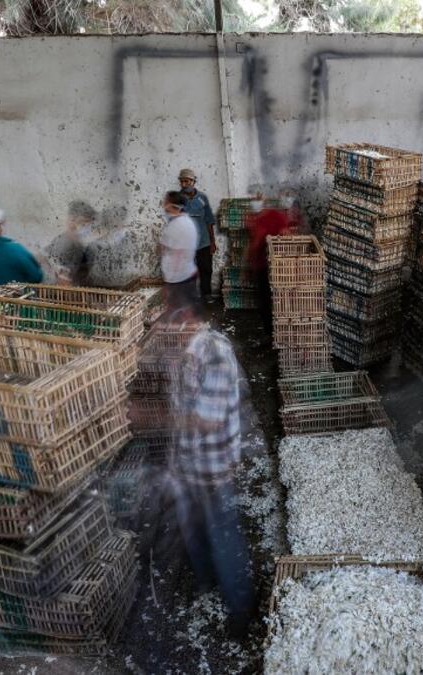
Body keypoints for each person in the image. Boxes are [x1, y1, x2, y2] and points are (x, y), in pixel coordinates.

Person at [167, 300, 252, 633]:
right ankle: (206, 582)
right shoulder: (185, 351)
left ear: (187, 316)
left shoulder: (215, 352)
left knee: (223, 532)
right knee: (193, 527)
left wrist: (150, 418)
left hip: (212, 468)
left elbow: (209, 420)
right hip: (187, 464)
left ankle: (242, 609)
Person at [244, 196, 295, 337]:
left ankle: (279, 330)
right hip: (264, 265)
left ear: (264, 200)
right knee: (267, 300)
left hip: (276, 266)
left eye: (258, 198)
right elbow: (252, 243)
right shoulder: (251, 218)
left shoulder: (274, 215)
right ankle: (272, 332)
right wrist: (249, 264)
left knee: (276, 298)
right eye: (254, 198)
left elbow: (286, 234)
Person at [176, 169, 217, 302]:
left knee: (206, 269)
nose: (184, 184)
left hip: (203, 241)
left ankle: (207, 293)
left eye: (187, 181)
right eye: (182, 182)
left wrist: (212, 241)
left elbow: (209, 220)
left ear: (193, 181)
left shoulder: (202, 198)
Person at [160, 191, 202, 311]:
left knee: (182, 313)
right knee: (187, 311)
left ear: (173, 206)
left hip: (179, 278)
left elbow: (175, 253)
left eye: (166, 202)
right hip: (187, 273)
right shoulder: (187, 222)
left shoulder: (176, 226)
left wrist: (169, 284)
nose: (164, 206)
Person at [48, 200, 98, 286]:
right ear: (71, 221)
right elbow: (63, 282)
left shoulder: (81, 246)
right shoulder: (64, 243)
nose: (87, 227)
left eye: (89, 223)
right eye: (83, 222)